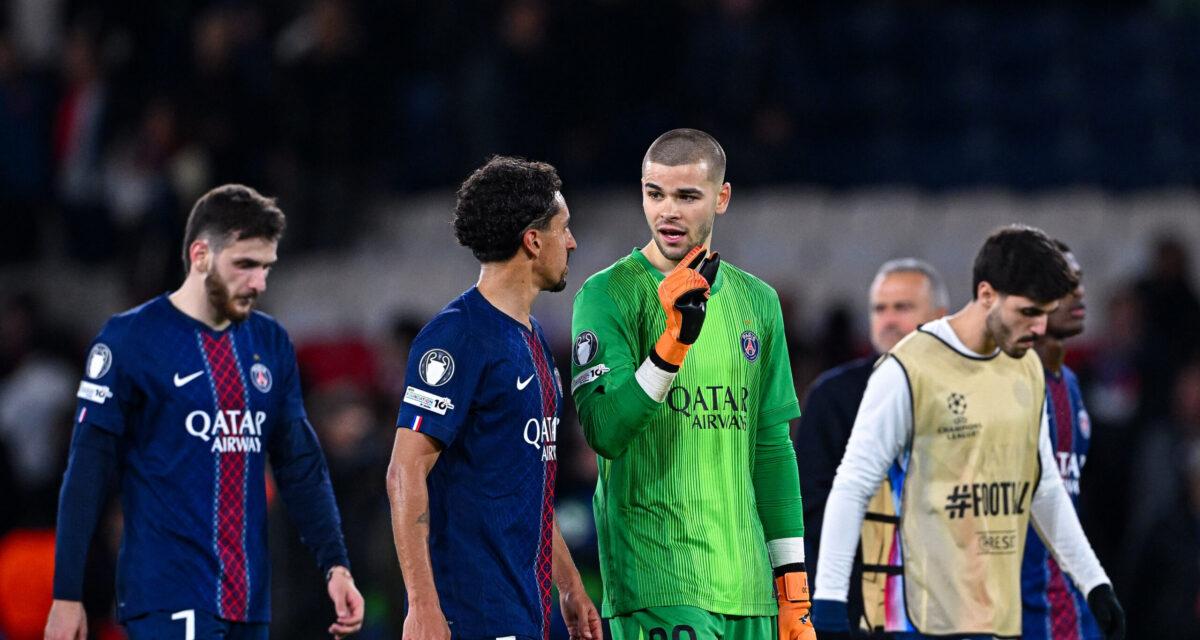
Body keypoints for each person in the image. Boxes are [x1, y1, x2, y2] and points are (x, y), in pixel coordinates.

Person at [45, 184, 363, 640]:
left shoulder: (269, 342)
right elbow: (87, 469)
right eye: (245, 265)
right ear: (199, 255)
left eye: (265, 267)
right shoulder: (129, 340)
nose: (259, 282)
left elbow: (299, 463)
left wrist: (335, 564)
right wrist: (67, 593)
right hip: (168, 593)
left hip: (249, 598)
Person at [811, 225, 1125, 640]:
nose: (1037, 329)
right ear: (987, 295)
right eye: (1028, 312)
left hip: (995, 619)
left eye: (1044, 315)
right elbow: (852, 485)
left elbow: (1044, 486)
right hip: (915, 621)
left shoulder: (1026, 367)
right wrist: (829, 599)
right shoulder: (909, 367)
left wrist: (1094, 582)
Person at [570, 128, 815, 640]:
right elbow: (605, 431)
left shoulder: (758, 302)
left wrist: (793, 593)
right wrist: (671, 346)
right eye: (654, 194)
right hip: (657, 583)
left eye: (687, 196)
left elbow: (772, 451)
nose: (667, 212)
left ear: (721, 198)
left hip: (749, 588)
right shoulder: (607, 294)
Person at [387, 156, 601, 640]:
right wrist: (422, 607)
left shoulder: (533, 339)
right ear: (532, 241)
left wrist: (568, 585)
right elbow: (405, 471)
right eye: (563, 229)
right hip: (469, 610)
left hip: (522, 607)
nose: (571, 241)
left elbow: (527, 481)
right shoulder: (457, 335)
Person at [796, 259, 948, 636]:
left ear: (940, 317)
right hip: (858, 607)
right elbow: (811, 510)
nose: (889, 319)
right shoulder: (833, 397)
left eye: (903, 307)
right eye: (880, 308)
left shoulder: (967, 394)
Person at [1021, 241, 1103, 640]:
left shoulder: (1070, 384)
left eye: (1079, 281)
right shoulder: (1007, 384)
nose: (1079, 292)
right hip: (1019, 605)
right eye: (1062, 283)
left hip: (1068, 599)